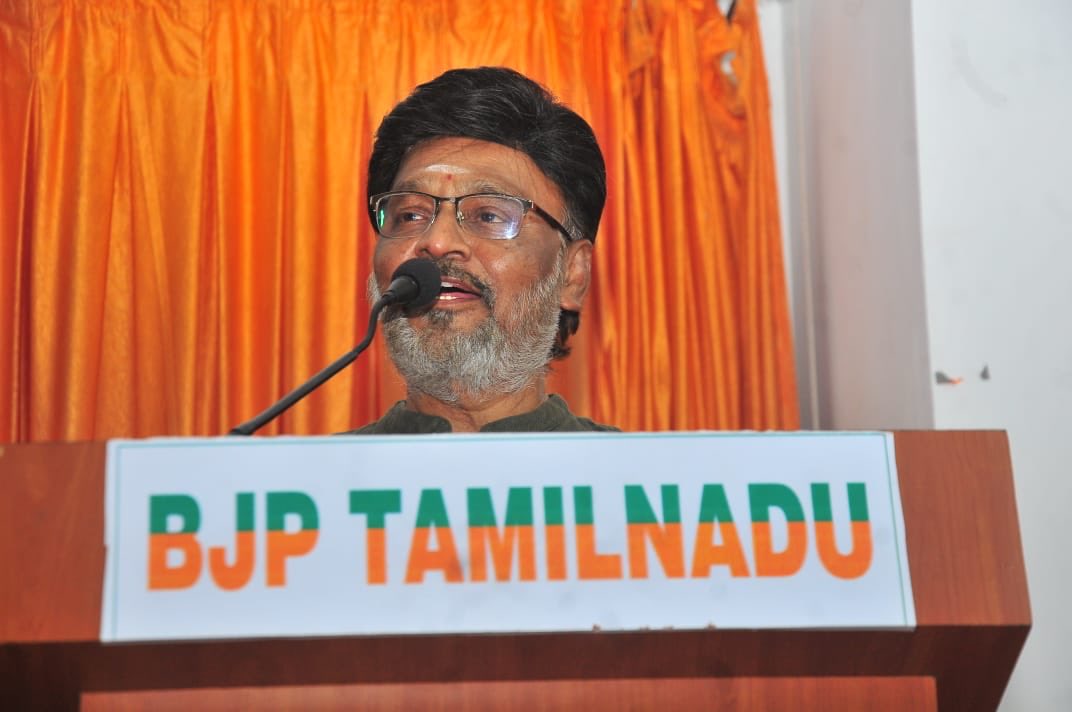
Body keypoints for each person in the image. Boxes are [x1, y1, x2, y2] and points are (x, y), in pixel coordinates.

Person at [349, 67, 617, 434]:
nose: (439, 242)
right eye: (410, 214)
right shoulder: (313, 469)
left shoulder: (643, 469)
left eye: (489, 215)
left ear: (572, 273)